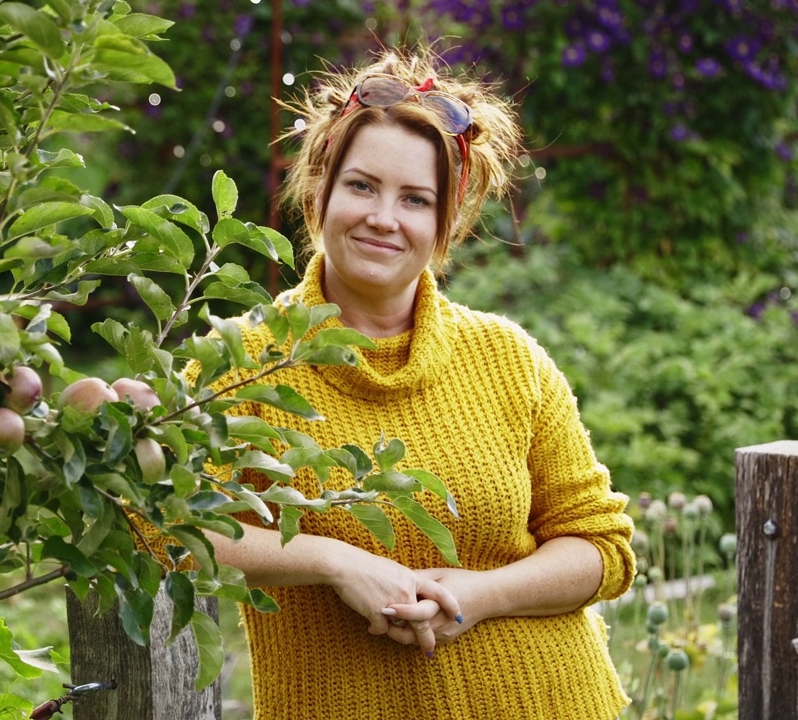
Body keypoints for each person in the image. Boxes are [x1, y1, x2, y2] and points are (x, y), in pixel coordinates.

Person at [194, 49, 636, 718]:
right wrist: (333, 561)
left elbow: (601, 549)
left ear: (445, 224)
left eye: (415, 199)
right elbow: (164, 520)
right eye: (363, 186)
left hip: (552, 699)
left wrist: (479, 596)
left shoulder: (509, 359)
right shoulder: (245, 363)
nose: (384, 217)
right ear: (320, 189)